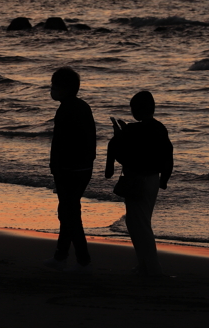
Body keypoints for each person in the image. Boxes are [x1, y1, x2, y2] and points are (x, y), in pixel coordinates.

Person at [105, 90, 173, 277]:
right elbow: (168, 155)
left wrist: (119, 136)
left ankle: (153, 269)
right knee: (139, 223)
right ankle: (144, 265)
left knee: (139, 225)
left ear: (136, 110)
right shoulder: (159, 128)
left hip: (137, 181)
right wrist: (164, 179)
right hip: (152, 180)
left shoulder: (133, 131)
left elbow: (123, 155)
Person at [45, 67, 97, 274]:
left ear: (64, 89)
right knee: (68, 211)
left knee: (69, 214)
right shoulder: (83, 106)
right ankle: (61, 256)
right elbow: (91, 139)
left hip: (69, 170)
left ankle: (83, 260)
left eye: (54, 86)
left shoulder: (65, 109)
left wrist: (55, 166)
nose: (52, 90)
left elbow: (59, 143)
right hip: (83, 168)